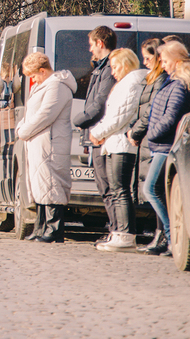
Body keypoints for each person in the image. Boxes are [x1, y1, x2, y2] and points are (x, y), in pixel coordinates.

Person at [134, 41, 190, 255]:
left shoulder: (179, 84)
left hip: (166, 145)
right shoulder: (172, 81)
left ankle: (170, 235)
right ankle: (168, 236)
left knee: (151, 189)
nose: (163, 65)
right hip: (161, 144)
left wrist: (153, 132)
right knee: (158, 190)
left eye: (165, 61)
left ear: (176, 60)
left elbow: (171, 116)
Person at [12, 52, 75, 243]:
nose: (32, 80)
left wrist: (24, 131)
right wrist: (22, 127)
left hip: (51, 142)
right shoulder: (43, 85)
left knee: (51, 183)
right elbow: (31, 113)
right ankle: (41, 227)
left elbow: (45, 114)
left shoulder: (56, 86)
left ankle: (53, 228)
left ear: (42, 70)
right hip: (39, 142)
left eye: (34, 75)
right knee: (40, 185)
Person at [89, 48, 147, 251]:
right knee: (116, 189)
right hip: (113, 141)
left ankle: (126, 233)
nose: (113, 72)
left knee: (120, 189)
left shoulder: (131, 83)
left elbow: (120, 116)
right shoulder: (124, 84)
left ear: (125, 65)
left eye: (115, 67)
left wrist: (98, 132)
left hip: (121, 142)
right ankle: (119, 232)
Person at [73, 25, 117, 244]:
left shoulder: (109, 68)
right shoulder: (101, 67)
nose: (90, 50)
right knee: (103, 185)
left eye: (91, 45)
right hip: (97, 133)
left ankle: (116, 230)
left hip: (103, 134)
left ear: (100, 43)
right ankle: (114, 228)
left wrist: (79, 120)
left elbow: (99, 103)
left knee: (108, 185)